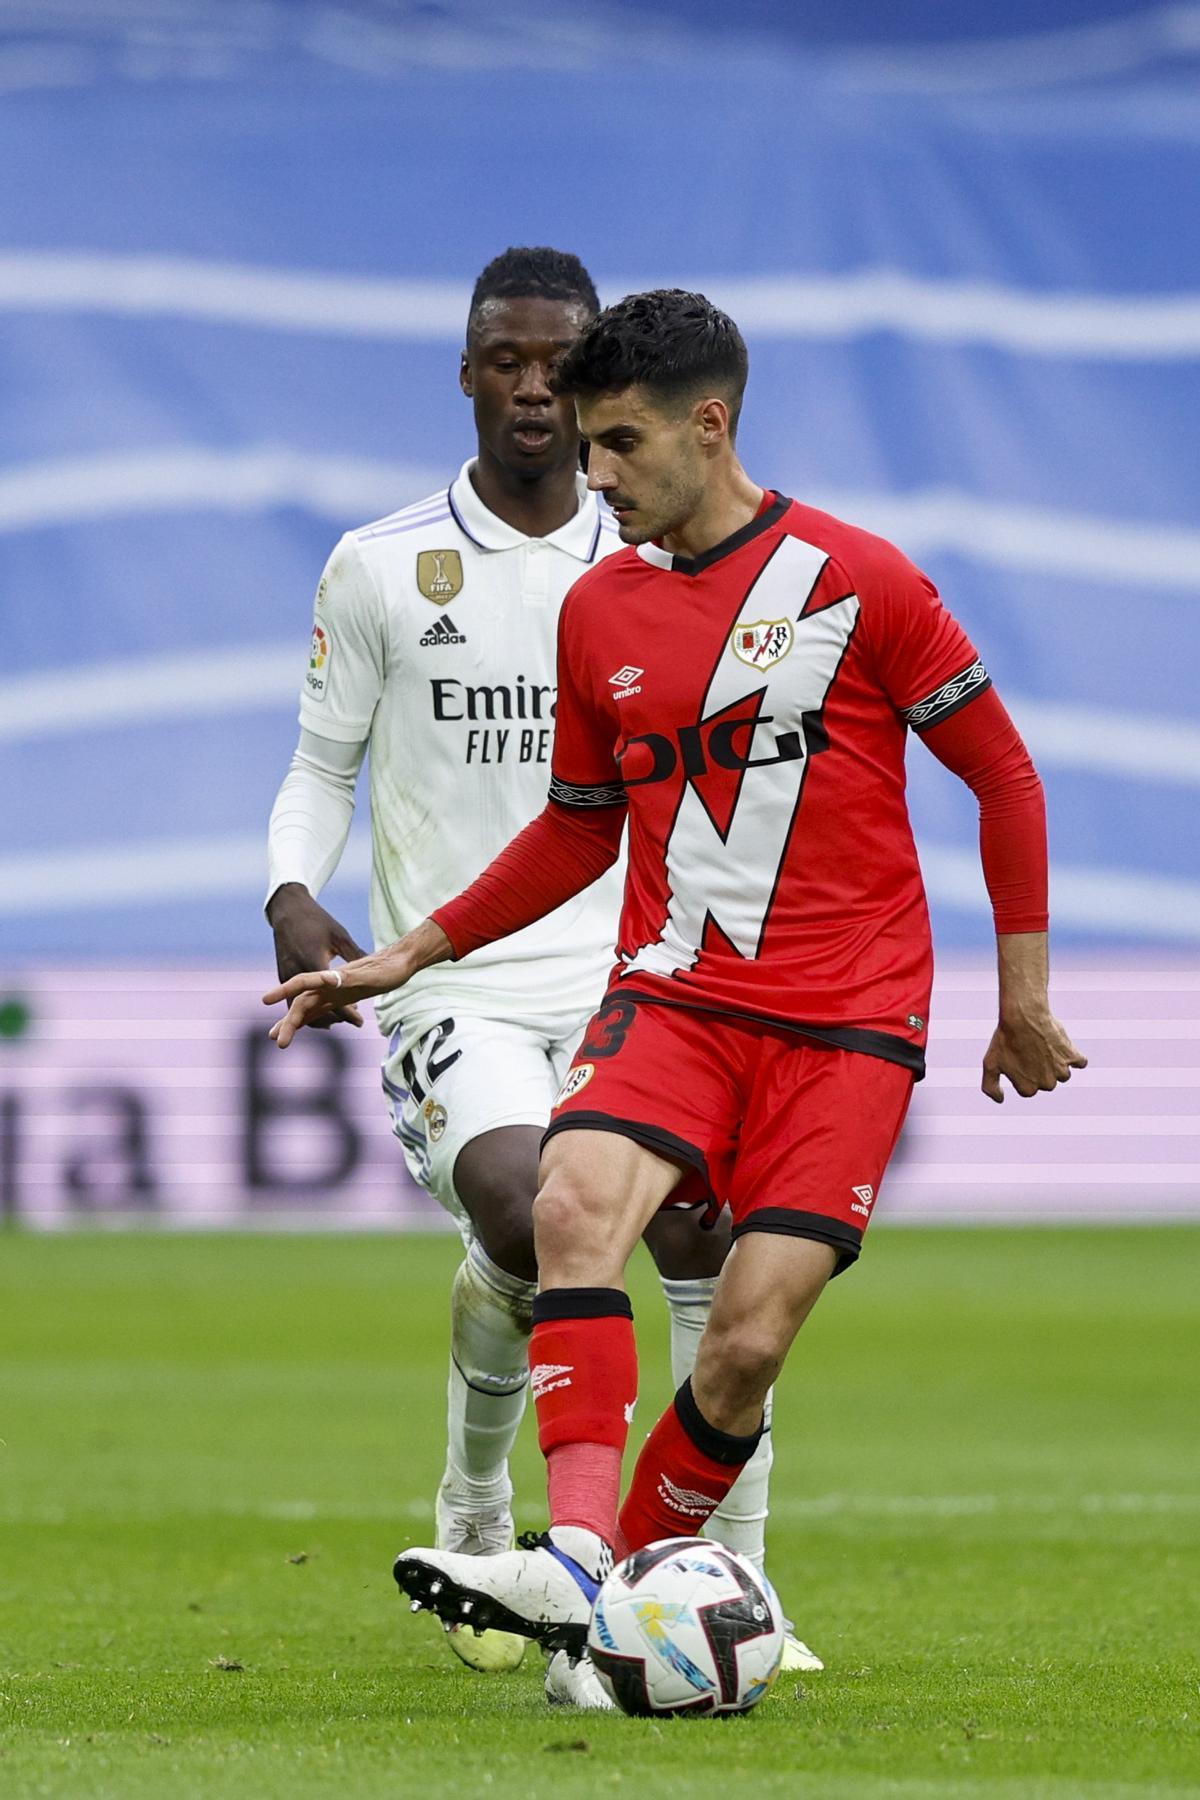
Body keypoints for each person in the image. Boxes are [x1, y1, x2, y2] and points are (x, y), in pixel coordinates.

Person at [265, 285, 1086, 1683]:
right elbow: (582, 826)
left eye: (623, 447)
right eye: (588, 448)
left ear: (712, 427)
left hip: (848, 1023)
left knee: (746, 1342)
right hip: (678, 998)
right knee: (570, 1206)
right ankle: (579, 1557)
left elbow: (1002, 773)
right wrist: (409, 952)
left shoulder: (860, 580)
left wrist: (1023, 996)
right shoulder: (603, 611)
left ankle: (620, 1600)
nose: (596, 478)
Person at [264, 261, 815, 1704]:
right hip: (460, 989)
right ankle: (474, 1503)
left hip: (640, 979)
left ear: (592, 392)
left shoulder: (658, 565)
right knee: (525, 1207)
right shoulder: (381, 562)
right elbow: (325, 762)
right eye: (500, 361)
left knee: (705, 1232)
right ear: (466, 376)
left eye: (553, 367)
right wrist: (287, 890)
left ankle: (727, 1581)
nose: (528, 388)